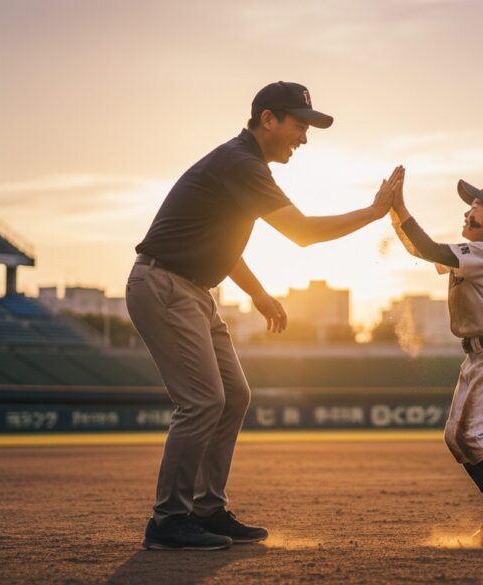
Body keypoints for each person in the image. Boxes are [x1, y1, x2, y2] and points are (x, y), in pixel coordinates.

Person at [127, 81, 403, 550]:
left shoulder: (241, 167)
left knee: (234, 395)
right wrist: (376, 211)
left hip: (191, 289)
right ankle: (168, 521)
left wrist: (258, 293)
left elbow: (216, 244)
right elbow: (301, 233)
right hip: (164, 286)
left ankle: (206, 509)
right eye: (299, 125)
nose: (304, 137)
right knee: (202, 402)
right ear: (268, 119)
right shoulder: (242, 162)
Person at [388, 172, 483, 546]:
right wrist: (392, 212)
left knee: (471, 434)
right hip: (478, 354)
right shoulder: (475, 253)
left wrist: (400, 207)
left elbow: (430, 250)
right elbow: (419, 250)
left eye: (476, 207)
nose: (468, 213)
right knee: (456, 438)